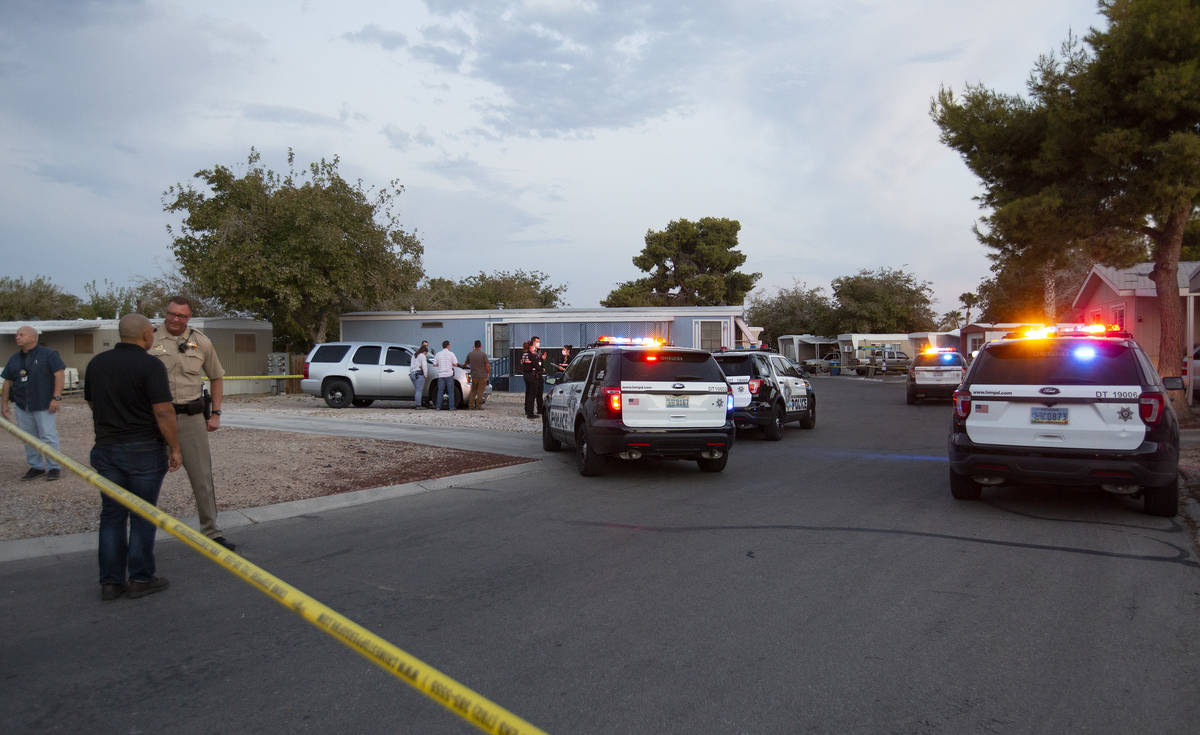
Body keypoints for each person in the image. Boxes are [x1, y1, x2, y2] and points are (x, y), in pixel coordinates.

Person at [86, 313, 183, 601]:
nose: (153, 335)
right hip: (143, 449)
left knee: (112, 515)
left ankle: (110, 582)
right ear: (144, 335)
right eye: (151, 332)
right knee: (143, 514)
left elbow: (92, 401)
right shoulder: (150, 365)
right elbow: (163, 410)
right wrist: (175, 447)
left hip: (106, 448)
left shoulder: (96, 364)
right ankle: (140, 578)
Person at [149, 296, 235, 551]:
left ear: (189, 318)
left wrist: (216, 413)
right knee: (149, 477)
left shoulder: (201, 342)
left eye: (182, 316)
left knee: (202, 478)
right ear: (165, 314)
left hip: (191, 418)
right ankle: (143, 533)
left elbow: (217, 377)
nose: (176, 320)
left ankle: (211, 531)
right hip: (155, 420)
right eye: (172, 314)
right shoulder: (149, 339)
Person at [1, 326, 66, 480]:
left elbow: (59, 374)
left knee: (48, 435)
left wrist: (56, 397)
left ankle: (54, 467)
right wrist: (4, 405)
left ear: (33, 337)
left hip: (43, 403)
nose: (17, 337)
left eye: (21, 335)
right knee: (28, 437)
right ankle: (36, 466)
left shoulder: (49, 354)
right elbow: (7, 382)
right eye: (17, 335)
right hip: (23, 405)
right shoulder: (14, 359)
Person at [521, 335, 545, 419]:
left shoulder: (525, 354)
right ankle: (530, 413)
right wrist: (542, 369)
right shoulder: (532, 355)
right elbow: (536, 365)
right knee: (532, 394)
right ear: (531, 346)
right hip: (532, 376)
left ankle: (527, 410)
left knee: (528, 394)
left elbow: (524, 364)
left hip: (526, 375)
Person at [463, 339, 491, 409]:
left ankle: (471, 405)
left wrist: (463, 366)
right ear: (480, 346)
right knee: (480, 392)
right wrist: (488, 373)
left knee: (473, 391)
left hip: (474, 375)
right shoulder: (483, 354)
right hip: (482, 376)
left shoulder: (470, 354)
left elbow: (465, 363)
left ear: (474, 346)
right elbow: (487, 365)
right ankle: (478, 406)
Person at [432, 340, 459, 411]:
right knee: (451, 392)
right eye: (449, 345)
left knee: (440, 391)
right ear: (448, 346)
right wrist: (451, 364)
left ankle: (438, 407)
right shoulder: (451, 354)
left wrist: (439, 364)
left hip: (441, 375)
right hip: (449, 375)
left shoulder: (438, 354)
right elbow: (456, 364)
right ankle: (451, 407)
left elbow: (434, 364)